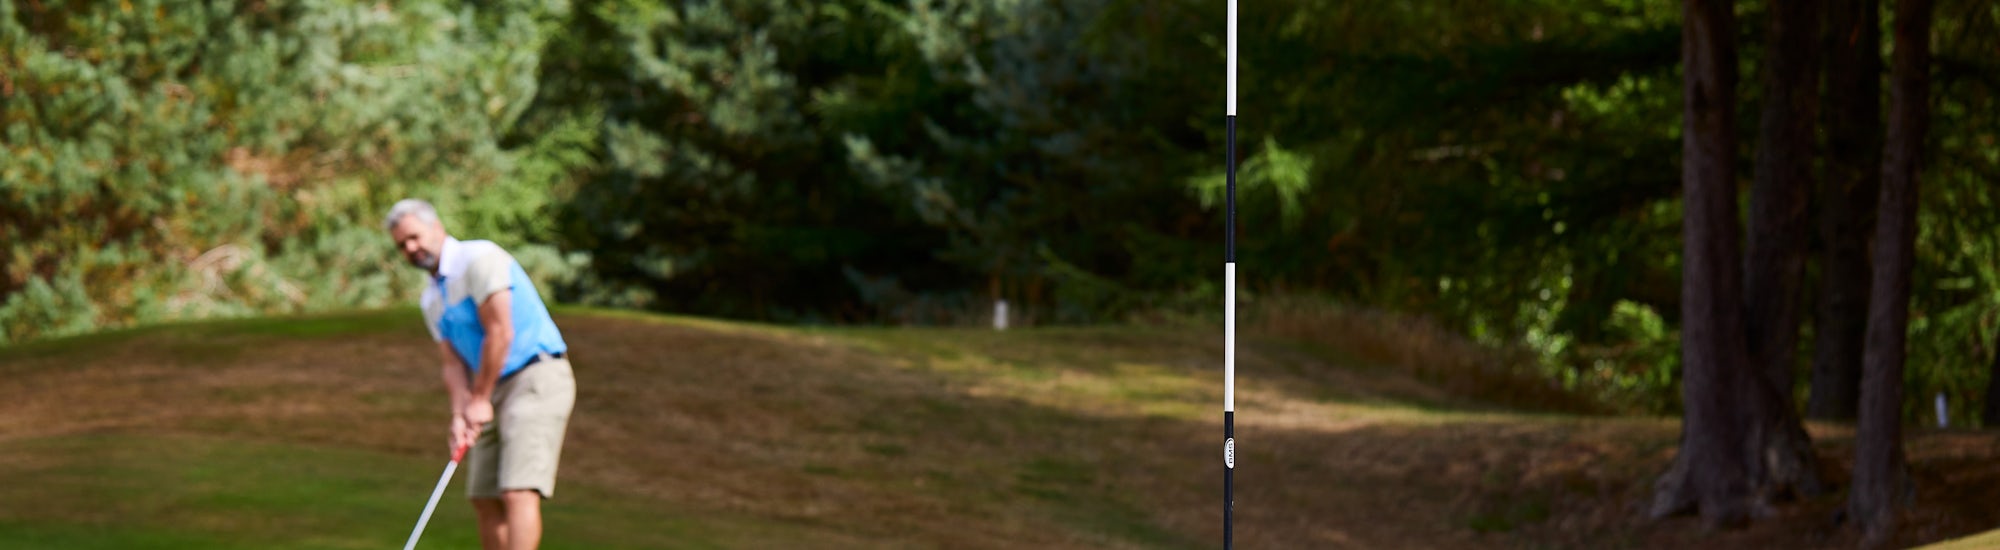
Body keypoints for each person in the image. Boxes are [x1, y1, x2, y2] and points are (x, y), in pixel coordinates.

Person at [385, 198, 576, 550]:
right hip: (488, 391)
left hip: (536, 376)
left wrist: (479, 399)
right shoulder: (431, 299)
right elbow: (452, 363)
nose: (410, 248)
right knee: (483, 496)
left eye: (414, 237)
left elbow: (500, 331)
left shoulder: (480, 259)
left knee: (518, 489)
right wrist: (460, 414)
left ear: (436, 227)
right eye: (402, 245)